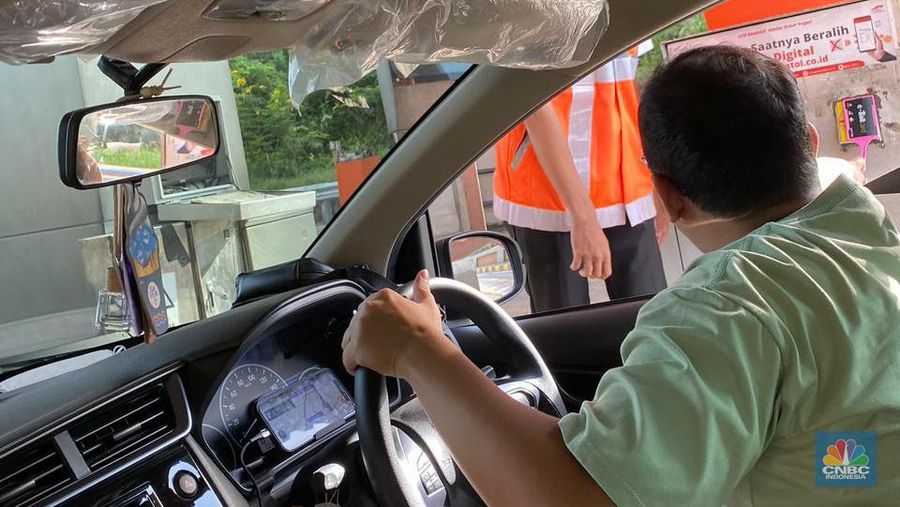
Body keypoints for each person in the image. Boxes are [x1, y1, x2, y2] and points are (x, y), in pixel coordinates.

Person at [342, 45, 900, 505]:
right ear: (809, 140)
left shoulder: (730, 307)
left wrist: (419, 350)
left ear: (667, 197)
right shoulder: (868, 234)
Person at [493, 48, 668, 312]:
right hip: (549, 202)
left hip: (629, 193)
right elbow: (535, 105)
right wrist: (583, 216)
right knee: (563, 335)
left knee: (655, 323)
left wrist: (656, 183)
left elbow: (629, 87)